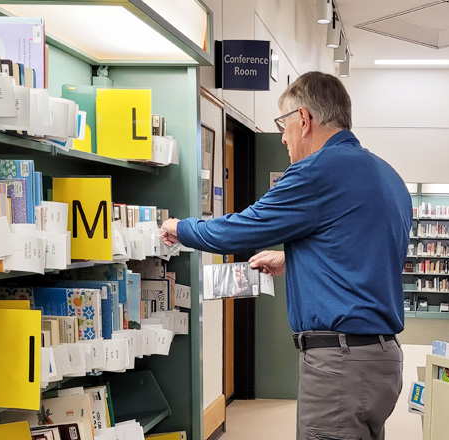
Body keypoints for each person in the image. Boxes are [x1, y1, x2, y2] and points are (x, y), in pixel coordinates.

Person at [161, 71, 412, 440]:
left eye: (283, 124)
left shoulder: (316, 171)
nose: (282, 137)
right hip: (382, 361)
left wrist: (180, 228)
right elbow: (361, 253)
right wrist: (290, 259)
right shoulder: (388, 175)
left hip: (339, 366)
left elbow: (242, 228)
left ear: (304, 119)